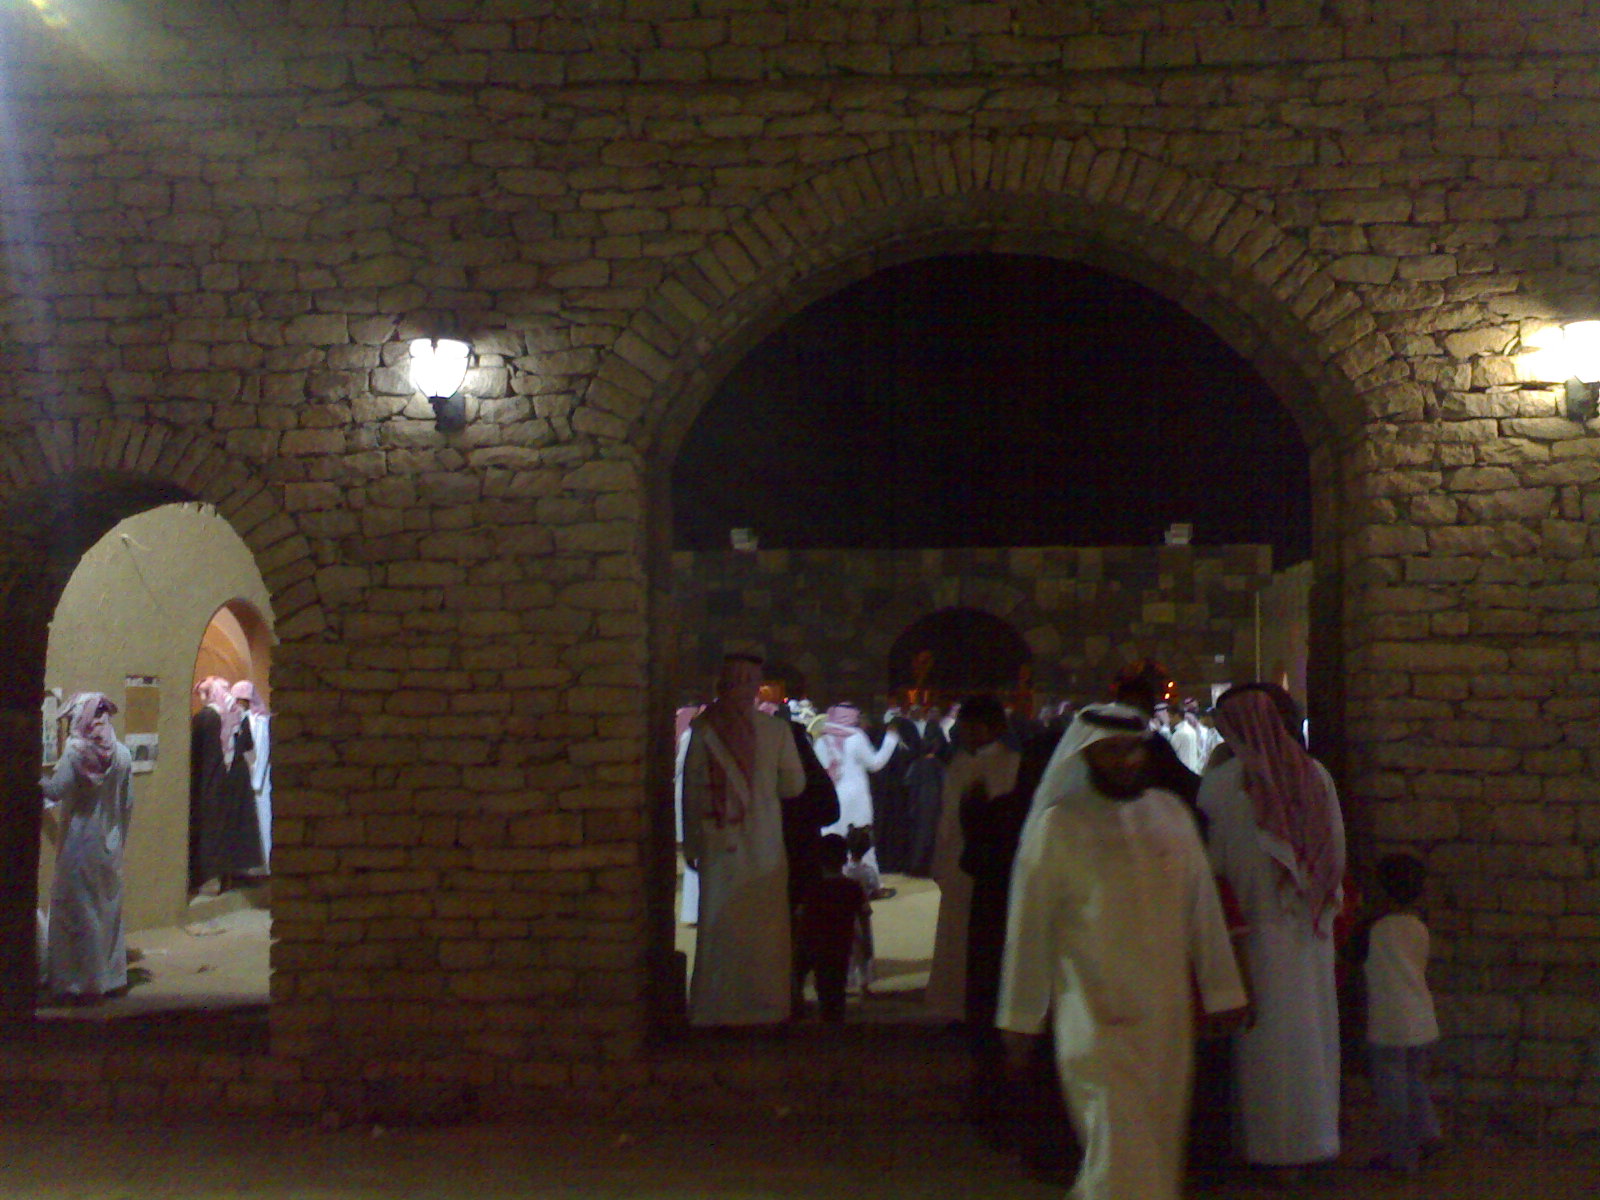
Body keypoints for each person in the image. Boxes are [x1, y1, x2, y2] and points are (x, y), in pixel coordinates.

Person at [997, 704, 1249, 1200]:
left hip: (1166, 1018)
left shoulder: (1171, 815)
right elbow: (1029, 929)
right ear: (1085, 756)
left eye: (1133, 749)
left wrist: (1223, 990)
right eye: (1111, 751)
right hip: (1094, 1017)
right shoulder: (1058, 826)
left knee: (1154, 1143)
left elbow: (1203, 911)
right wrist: (1020, 1016)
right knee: (1118, 1142)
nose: (1126, 761)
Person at [1198, 683, 1346, 1173]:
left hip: (1253, 939)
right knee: (1312, 1041)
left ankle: (1270, 1149)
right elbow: (1334, 855)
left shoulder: (1222, 785)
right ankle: (1314, 1142)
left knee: (1265, 1049)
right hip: (1310, 932)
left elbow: (1212, 866)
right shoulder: (1315, 776)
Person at [681, 654, 806, 1027]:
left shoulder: (704, 729)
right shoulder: (776, 731)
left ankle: (716, 1008)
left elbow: (690, 791)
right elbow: (794, 785)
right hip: (764, 841)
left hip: (719, 841)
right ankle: (765, 1006)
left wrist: (691, 844)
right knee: (765, 926)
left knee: (720, 924)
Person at [926, 694, 1020, 1025]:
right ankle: (956, 1006)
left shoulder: (1011, 764)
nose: (962, 734)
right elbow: (947, 819)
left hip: (990, 866)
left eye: (967, 727)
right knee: (957, 933)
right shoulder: (962, 763)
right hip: (960, 860)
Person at [40, 692, 135, 1003]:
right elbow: (128, 804)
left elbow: (55, 790)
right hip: (110, 844)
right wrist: (118, 840)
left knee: (79, 913)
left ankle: (81, 984)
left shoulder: (76, 754)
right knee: (108, 910)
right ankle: (112, 978)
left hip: (79, 845)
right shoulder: (122, 754)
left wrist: (30, 777)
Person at [1361, 853, 1441, 1175]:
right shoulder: (1420, 926)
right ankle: (1428, 1133)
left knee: (1393, 1096)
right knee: (1415, 1081)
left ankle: (1402, 1158)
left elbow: (1351, 957)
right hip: (1422, 1020)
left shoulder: (1373, 928)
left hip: (1388, 1023)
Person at [794, 833, 870, 1022]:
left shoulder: (812, 888)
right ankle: (835, 1023)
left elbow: (802, 917)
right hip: (840, 945)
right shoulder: (853, 887)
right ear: (844, 858)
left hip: (816, 945)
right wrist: (866, 943)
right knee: (836, 988)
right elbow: (864, 916)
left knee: (820, 985)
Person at [814, 703, 898, 868]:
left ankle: (833, 872)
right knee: (860, 837)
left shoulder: (821, 739)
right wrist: (890, 740)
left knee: (832, 836)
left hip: (831, 795)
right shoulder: (856, 737)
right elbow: (875, 763)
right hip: (856, 796)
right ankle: (864, 876)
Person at [230, 679, 272, 878]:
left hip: (259, 782)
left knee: (263, 822)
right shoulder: (243, 720)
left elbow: (262, 752)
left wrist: (256, 782)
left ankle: (267, 865)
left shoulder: (260, 721)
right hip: (247, 778)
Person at [842, 824, 880, 996]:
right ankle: (863, 983)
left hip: (844, 913)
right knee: (863, 947)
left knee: (847, 947)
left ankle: (846, 982)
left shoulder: (844, 870)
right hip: (862, 912)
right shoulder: (868, 872)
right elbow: (875, 890)